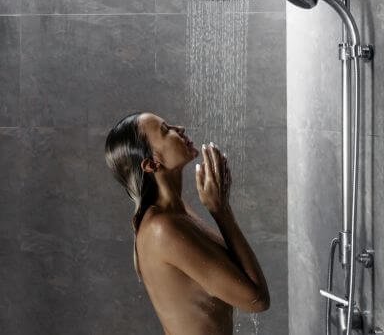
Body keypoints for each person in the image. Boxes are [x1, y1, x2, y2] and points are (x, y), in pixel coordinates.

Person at [104, 111, 270, 335]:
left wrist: (221, 208)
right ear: (152, 164)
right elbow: (256, 300)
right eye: (166, 130)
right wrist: (221, 211)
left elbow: (238, 277)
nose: (179, 128)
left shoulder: (178, 214)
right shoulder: (162, 229)